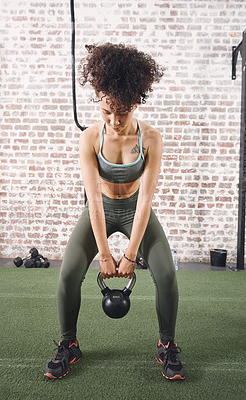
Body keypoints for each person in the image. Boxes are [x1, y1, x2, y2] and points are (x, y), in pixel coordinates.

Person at [44, 43, 185, 381]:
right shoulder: (91, 138)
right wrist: (105, 255)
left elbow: (146, 200)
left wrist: (131, 254)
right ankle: (69, 344)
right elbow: (93, 199)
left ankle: (166, 345)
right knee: (67, 275)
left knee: (165, 275)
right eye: (107, 111)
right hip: (101, 210)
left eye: (121, 112)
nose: (114, 120)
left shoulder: (151, 137)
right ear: (100, 100)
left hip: (137, 209)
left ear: (136, 102)